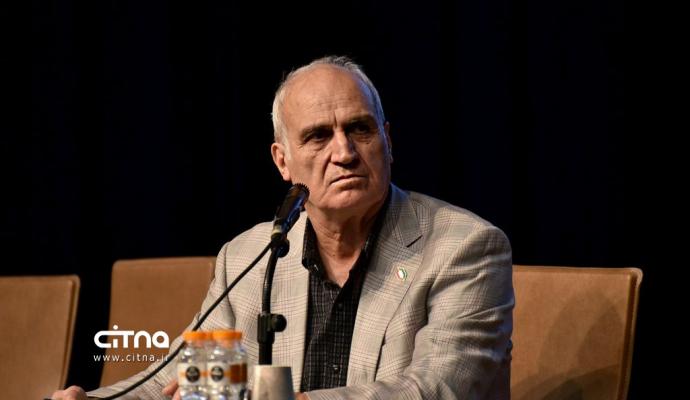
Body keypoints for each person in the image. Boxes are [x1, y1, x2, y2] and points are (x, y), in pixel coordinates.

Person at [52, 56, 514, 400]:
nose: (344, 153)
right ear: (283, 162)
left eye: (360, 129)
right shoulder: (251, 255)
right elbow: (183, 378)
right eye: (318, 136)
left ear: (387, 141)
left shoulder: (464, 247)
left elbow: (436, 389)